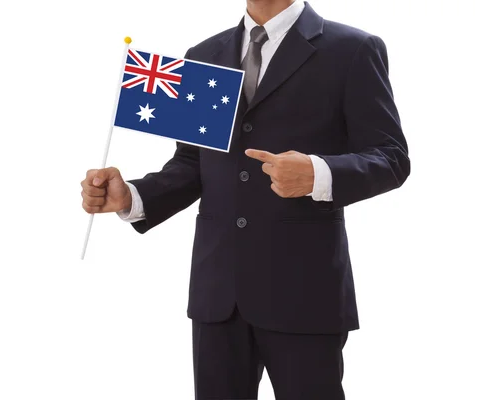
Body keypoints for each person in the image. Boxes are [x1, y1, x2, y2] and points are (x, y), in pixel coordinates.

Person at [80, 0, 410, 398]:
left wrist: (318, 173)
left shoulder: (353, 49)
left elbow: (390, 158)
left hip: (304, 290)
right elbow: (191, 164)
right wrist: (131, 195)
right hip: (218, 291)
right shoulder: (204, 56)